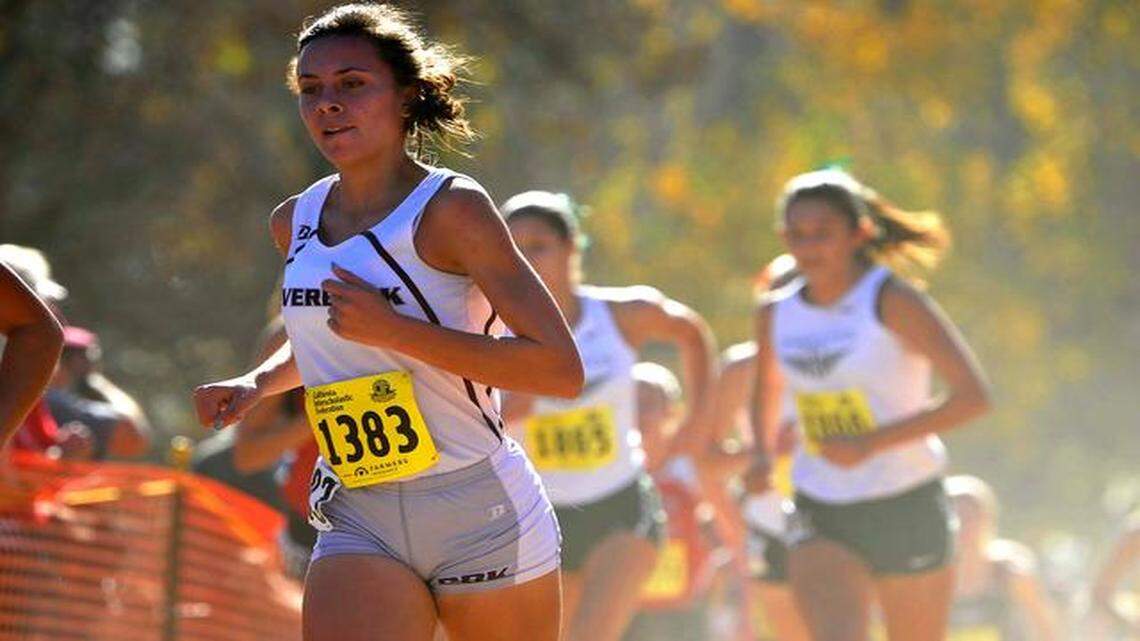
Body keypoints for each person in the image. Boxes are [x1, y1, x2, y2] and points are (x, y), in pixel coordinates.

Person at [191, 5, 583, 641]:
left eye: (352, 84)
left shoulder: (453, 209)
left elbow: (558, 369)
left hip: (476, 505)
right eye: (311, 90)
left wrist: (396, 331)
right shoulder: (295, 220)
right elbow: (328, 332)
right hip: (359, 508)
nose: (328, 105)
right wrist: (256, 384)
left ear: (405, 94)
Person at [746, 169, 992, 641]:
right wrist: (760, 453)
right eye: (797, 235)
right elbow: (766, 390)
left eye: (823, 234)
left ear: (859, 234)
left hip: (906, 501)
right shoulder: (775, 311)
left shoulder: (892, 300)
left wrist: (871, 443)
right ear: (782, 238)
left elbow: (973, 397)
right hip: (822, 505)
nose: (809, 247)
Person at [502, 190, 717, 641]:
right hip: (534, 520)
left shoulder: (621, 315)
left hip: (619, 508)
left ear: (572, 248)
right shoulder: (486, 328)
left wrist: (698, 426)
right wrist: (505, 408)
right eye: (513, 247)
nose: (525, 260)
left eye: (538, 246)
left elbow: (691, 333)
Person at [946, 475, 1060, 640]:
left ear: (988, 518)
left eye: (971, 514)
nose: (964, 524)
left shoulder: (1010, 572)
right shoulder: (930, 578)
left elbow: (1045, 627)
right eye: (956, 515)